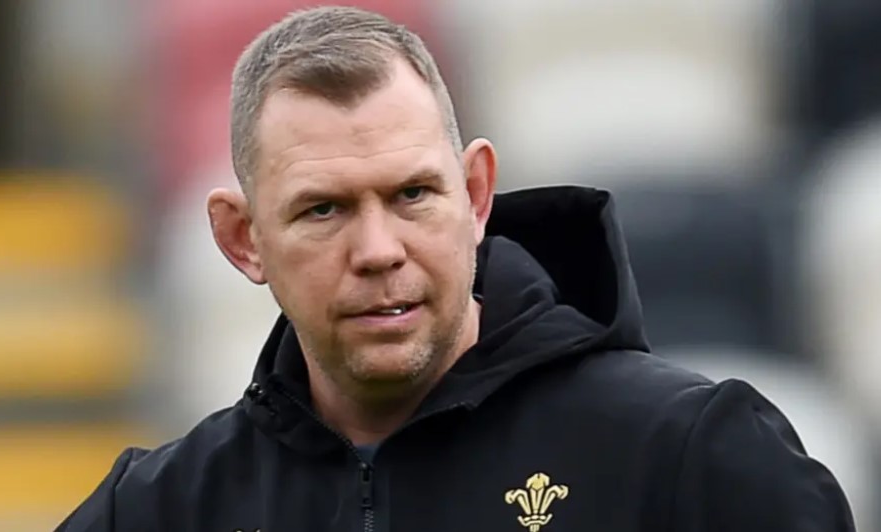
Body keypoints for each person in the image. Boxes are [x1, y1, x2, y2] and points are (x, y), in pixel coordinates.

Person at [58, 6, 855, 531]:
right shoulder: (161, 510)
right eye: (323, 210)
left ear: (475, 194)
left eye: (412, 194)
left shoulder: (690, 455)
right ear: (243, 240)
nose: (378, 250)